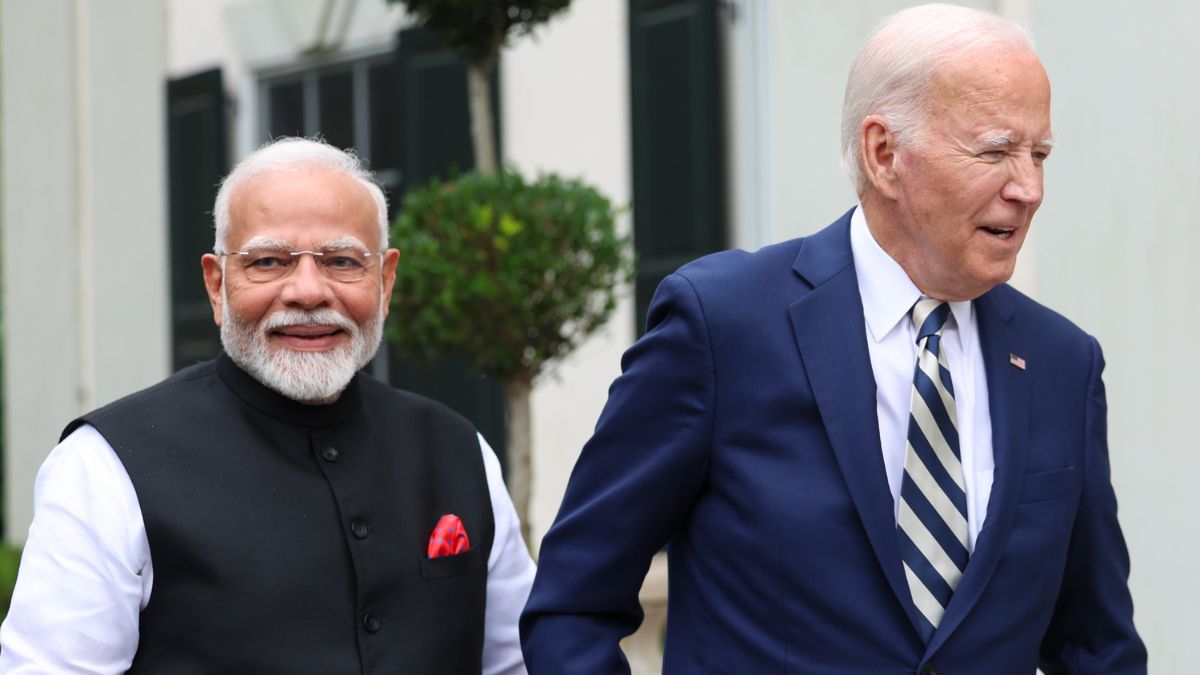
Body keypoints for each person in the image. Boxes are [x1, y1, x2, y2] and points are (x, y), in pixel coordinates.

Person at [521, 4, 1146, 673]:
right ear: (885, 155)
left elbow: (1096, 645)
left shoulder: (1061, 363)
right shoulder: (723, 327)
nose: (1029, 188)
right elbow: (572, 605)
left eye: (1039, 154)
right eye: (995, 151)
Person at [0, 137, 535, 673]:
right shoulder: (103, 466)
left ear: (386, 280)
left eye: (342, 260)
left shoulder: (459, 450)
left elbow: (520, 664)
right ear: (217, 285)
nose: (308, 291)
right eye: (270, 261)